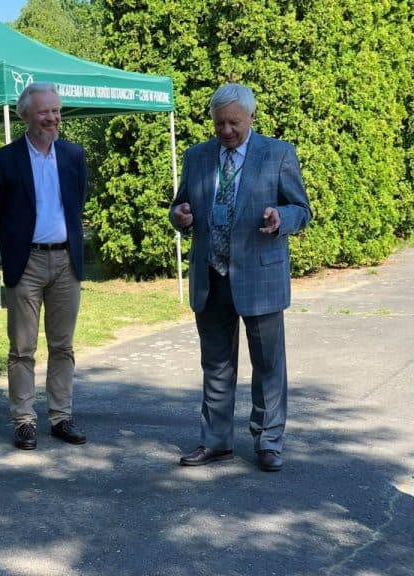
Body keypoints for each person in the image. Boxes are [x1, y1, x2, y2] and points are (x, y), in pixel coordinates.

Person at [169, 83, 312, 472]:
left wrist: (282, 219)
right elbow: (179, 206)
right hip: (210, 275)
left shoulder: (278, 154)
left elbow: (302, 210)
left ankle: (268, 441)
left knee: (267, 364)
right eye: (219, 124)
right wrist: (180, 216)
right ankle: (216, 442)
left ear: (251, 117)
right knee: (215, 364)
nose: (226, 131)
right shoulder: (197, 156)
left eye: (234, 123)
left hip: (260, 278)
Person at [0, 82, 89, 450]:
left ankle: (61, 416)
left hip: (66, 261)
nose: (53, 118)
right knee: (22, 348)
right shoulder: (3, 160)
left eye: (56, 111)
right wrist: (15, 243)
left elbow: (78, 204)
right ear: (25, 114)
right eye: (45, 111)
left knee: (63, 345)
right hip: (25, 261)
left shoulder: (74, 155)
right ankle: (24, 420)